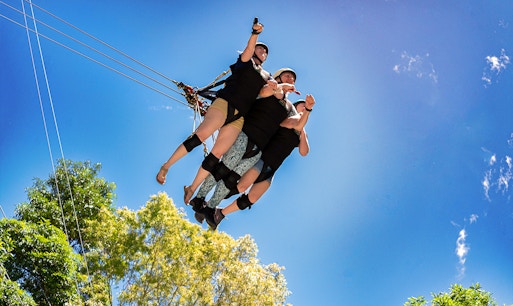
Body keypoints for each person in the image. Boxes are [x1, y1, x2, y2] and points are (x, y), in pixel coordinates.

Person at [156, 18, 275, 185]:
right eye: (260, 48)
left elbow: (263, 92)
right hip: (226, 102)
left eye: (266, 51)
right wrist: (255, 33)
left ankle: (192, 187)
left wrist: (277, 87)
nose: (263, 51)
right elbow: (248, 49)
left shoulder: (267, 75)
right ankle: (166, 166)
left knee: (218, 154)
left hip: (240, 114)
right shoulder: (245, 60)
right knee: (201, 135)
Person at [187, 68, 302, 220]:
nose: (290, 78)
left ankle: (211, 207)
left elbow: (296, 123)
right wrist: (281, 87)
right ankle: (199, 198)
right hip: (245, 134)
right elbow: (266, 91)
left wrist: (305, 110)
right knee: (223, 169)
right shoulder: (271, 85)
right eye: (287, 75)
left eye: (293, 78)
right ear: (278, 77)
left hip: (259, 147)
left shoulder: (289, 108)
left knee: (231, 179)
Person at [202, 96, 315, 230]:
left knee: (253, 198)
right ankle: (208, 204)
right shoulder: (288, 119)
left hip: (273, 167)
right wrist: (306, 112)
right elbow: (294, 123)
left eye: (305, 106)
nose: (303, 107)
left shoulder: (302, 132)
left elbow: (304, 151)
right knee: (241, 186)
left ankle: (220, 213)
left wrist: (303, 131)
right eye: (301, 105)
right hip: (262, 158)